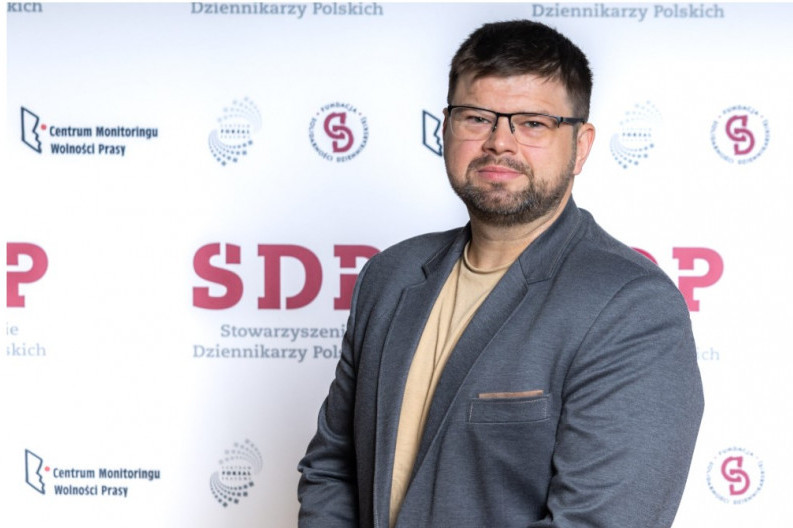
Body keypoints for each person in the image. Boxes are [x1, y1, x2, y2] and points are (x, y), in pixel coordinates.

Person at [297, 20, 704, 528]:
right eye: (476, 117)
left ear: (580, 145)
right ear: (444, 128)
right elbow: (333, 468)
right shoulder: (389, 276)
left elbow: (597, 522)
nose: (498, 143)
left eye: (532, 123)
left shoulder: (631, 307)